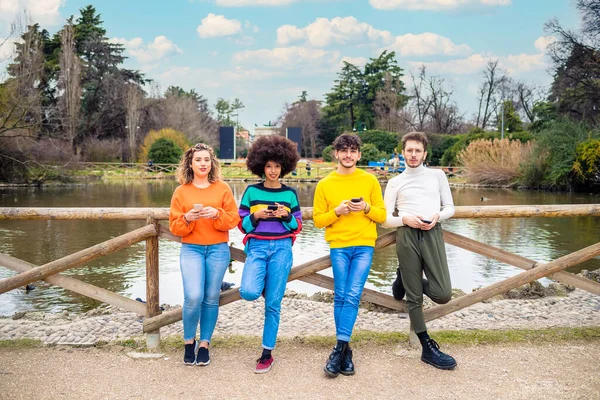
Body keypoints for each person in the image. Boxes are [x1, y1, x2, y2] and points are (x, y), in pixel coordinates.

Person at [313, 133, 386, 378]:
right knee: (341, 296)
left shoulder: (370, 180)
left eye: (353, 151)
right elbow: (318, 220)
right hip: (339, 246)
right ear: (336, 153)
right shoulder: (325, 184)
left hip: (364, 245)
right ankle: (345, 350)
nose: (348, 155)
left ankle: (339, 349)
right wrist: (337, 211)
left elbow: (382, 215)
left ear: (359, 155)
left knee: (353, 295)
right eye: (343, 150)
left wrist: (365, 207)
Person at [382, 131, 457, 370]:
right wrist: (405, 219)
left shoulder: (437, 175)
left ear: (425, 153)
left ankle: (404, 276)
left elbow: (450, 208)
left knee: (443, 293)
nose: (413, 155)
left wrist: (438, 215)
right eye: (409, 150)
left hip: (432, 232)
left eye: (418, 150)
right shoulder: (395, 182)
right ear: (402, 153)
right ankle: (427, 347)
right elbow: (385, 219)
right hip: (407, 235)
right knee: (414, 297)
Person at [169, 143, 240, 366]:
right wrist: (188, 218)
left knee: (211, 299)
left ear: (212, 163)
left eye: (206, 160)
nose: (202, 164)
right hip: (191, 248)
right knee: (193, 297)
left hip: (218, 249)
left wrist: (217, 213)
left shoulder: (223, 188)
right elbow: (175, 227)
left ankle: (205, 344)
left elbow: (233, 220)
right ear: (190, 163)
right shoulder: (181, 191)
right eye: (198, 160)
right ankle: (188, 341)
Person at [238, 135, 302, 373]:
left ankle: (267, 353)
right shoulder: (251, 192)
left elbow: (297, 225)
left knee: (273, 305)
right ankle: (265, 283)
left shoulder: (290, 194)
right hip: (257, 248)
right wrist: (257, 216)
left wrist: (285, 216)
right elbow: (242, 224)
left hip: (282, 249)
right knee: (249, 291)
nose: (273, 170)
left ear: (284, 167)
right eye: (268, 166)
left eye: (277, 166)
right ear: (260, 166)